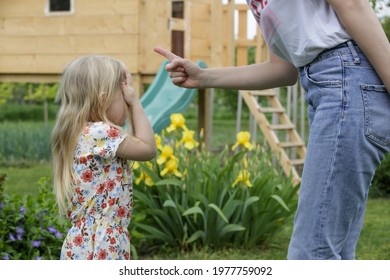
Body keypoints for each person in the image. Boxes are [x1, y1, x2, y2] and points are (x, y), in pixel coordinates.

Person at [154, 0, 390, 259]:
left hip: (348, 81)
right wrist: (204, 77)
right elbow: (283, 69)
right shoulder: (256, 3)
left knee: (310, 254)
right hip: (326, 87)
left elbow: (353, 5)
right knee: (334, 253)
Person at [51, 55, 157, 260]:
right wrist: (135, 103)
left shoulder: (82, 132)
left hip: (85, 241)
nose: (126, 101)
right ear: (103, 99)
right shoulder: (101, 133)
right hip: (101, 244)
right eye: (123, 95)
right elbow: (148, 149)